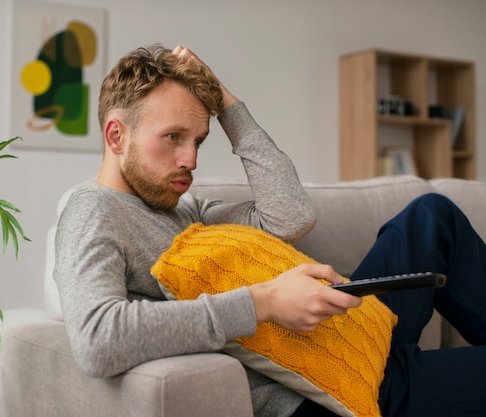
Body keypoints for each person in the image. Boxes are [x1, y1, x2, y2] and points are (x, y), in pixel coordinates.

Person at [54, 44, 486, 417]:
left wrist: (224, 101)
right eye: (173, 137)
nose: (191, 159)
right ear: (116, 137)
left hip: (351, 335)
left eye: (198, 141)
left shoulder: (187, 212)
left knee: (432, 217)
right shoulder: (93, 209)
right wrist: (263, 302)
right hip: (333, 389)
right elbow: (98, 338)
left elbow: (290, 216)